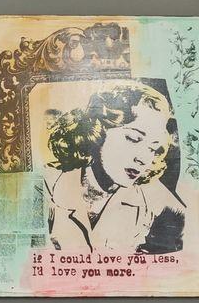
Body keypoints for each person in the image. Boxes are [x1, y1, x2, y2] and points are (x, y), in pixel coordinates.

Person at [41, 78, 186, 255]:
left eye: (152, 148)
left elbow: (197, 238)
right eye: (133, 139)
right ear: (97, 131)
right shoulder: (45, 186)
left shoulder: (152, 194)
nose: (143, 159)